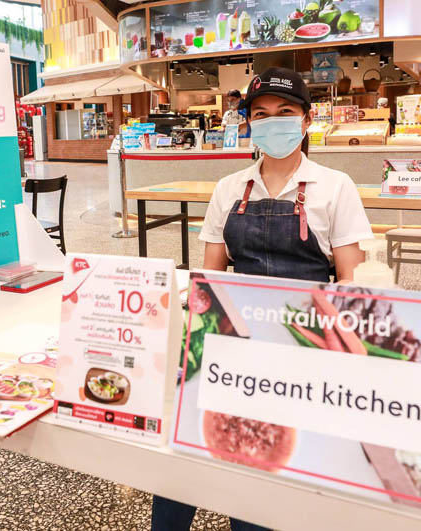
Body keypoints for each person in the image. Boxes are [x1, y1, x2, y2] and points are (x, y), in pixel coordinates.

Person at [150, 68, 372, 531]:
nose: (273, 122)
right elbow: (210, 278)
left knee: (259, 477)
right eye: (262, 114)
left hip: (301, 347)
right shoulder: (229, 188)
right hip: (233, 337)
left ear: (307, 120)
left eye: (285, 112)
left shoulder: (336, 187)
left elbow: (350, 284)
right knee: (180, 458)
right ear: (249, 122)